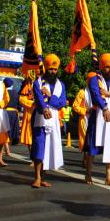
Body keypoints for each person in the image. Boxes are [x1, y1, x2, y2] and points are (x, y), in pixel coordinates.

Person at [83, 53, 110, 186]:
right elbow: (96, 96)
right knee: (92, 146)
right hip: (98, 116)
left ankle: (109, 177)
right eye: (107, 67)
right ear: (101, 66)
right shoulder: (95, 79)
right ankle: (88, 173)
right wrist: (104, 108)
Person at [30, 54, 66, 188]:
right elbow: (39, 99)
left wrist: (50, 97)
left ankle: (43, 177)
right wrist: (45, 109)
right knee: (39, 147)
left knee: (50, 149)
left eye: (55, 69)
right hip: (40, 119)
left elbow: (62, 102)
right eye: (50, 69)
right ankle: (37, 177)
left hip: (55, 120)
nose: (53, 72)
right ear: (45, 68)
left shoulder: (61, 85)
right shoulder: (38, 82)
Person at [72, 72, 96, 166]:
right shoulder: (82, 92)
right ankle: (86, 161)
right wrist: (86, 111)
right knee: (86, 140)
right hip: (84, 119)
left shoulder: (97, 92)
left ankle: (88, 161)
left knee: (92, 140)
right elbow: (75, 106)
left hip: (94, 119)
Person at [19, 70, 36, 158]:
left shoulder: (42, 83)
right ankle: (32, 156)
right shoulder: (25, 85)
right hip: (29, 112)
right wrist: (32, 103)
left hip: (40, 112)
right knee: (28, 135)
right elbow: (21, 99)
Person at [3, 78, 20, 155]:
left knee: (5, 130)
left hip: (6, 112)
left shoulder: (4, 92)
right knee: (12, 130)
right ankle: (8, 147)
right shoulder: (16, 93)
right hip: (14, 113)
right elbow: (19, 104)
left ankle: (7, 149)